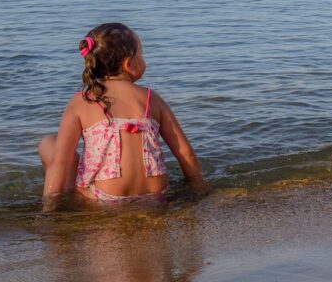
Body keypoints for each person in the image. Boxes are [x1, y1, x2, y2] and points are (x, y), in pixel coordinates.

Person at [39, 22, 209, 209]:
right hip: (157, 195)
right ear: (129, 64)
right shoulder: (151, 98)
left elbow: (59, 163)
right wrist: (198, 187)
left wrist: (49, 207)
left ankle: (69, 200)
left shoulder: (82, 101)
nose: (145, 60)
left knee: (49, 144)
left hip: (104, 198)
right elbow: (186, 153)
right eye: (141, 55)